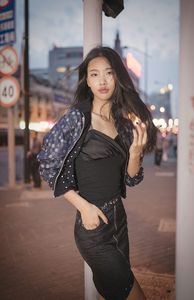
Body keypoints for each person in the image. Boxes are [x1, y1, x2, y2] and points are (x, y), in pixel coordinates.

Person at [37, 46, 157, 300]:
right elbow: (47, 162)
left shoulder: (123, 122)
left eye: (108, 73)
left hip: (119, 221)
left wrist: (135, 154)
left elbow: (131, 179)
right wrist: (83, 207)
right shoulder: (77, 119)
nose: (102, 80)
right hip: (92, 227)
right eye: (94, 74)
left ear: (117, 78)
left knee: (114, 293)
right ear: (87, 81)